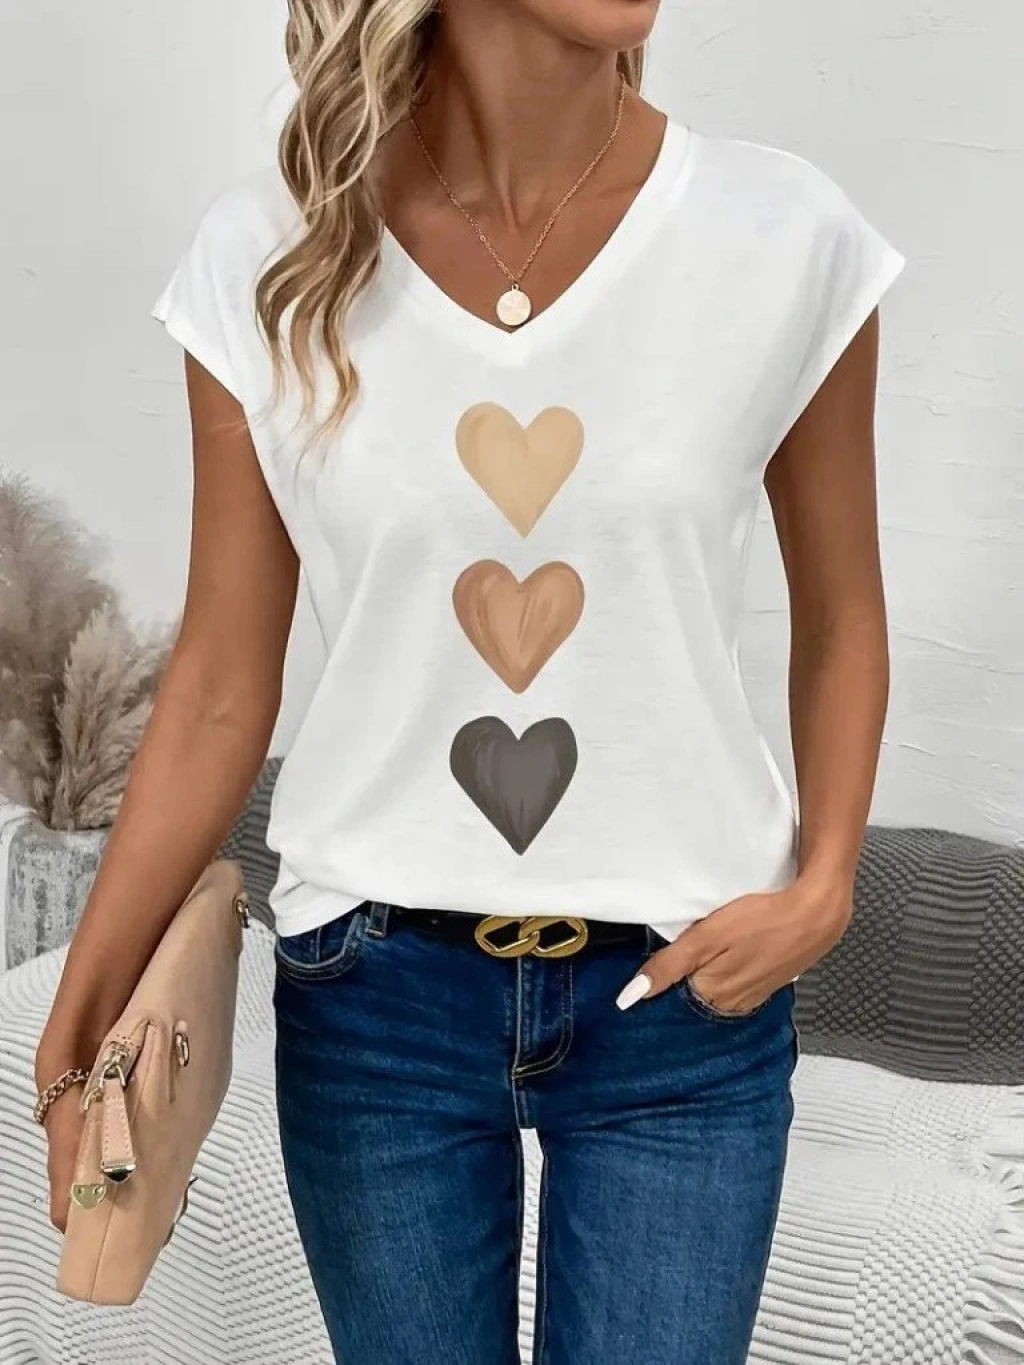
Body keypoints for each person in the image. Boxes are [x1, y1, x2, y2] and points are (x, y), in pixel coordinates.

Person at [35, 1, 906, 1361]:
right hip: (373, 1003)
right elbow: (217, 682)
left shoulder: (784, 236)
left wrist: (826, 883)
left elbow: (844, 611)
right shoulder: (269, 255)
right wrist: (85, 1003)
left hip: (681, 1006)